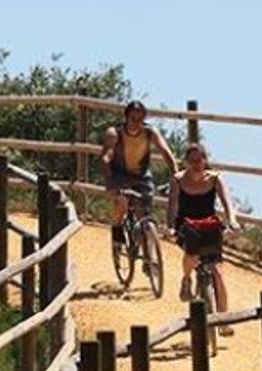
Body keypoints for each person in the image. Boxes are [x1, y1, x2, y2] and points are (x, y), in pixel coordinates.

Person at [167, 143, 241, 331]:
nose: (196, 164)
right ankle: (186, 279)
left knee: (218, 271)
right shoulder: (177, 180)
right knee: (191, 256)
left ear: (205, 160)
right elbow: (172, 206)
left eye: (199, 159)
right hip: (186, 226)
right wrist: (170, 227)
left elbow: (227, 203)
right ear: (185, 162)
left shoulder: (215, 179)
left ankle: (224, 321)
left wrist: (232, 220)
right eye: (191, 160)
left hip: (209, 226)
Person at [100, 100, 179, 258]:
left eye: (140, 119)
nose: (136, 123)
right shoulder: (114, 133)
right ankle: (117, 227)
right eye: (133, 119)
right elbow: (106, 157)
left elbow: (165, 152)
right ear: (126, 117)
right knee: (121, 202)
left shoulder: (150, 132)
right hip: (119, 174)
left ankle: (148, 256)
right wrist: (109, 182)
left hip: (141, 175)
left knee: (144, 213)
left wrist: (176, 175)